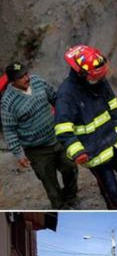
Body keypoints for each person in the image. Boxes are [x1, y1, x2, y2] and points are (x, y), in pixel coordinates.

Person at [55, 45, 117, 210]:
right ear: (81, 73)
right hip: (94, 154)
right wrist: (78, 152)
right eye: (95, 77)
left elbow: (114, 107)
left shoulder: (98, 79)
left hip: (114, 143)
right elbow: (63, 130)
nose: (99, 80)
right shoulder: (66, 95)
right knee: (112, 193)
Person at [1, 62, 78, 209]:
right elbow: (9, 130)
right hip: (37, 151)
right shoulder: (8, 103)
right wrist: (19, 154)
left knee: (71, 167)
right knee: (49, 182)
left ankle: (71, 196)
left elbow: (55, 98)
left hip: (57, 138)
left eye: (25, 74)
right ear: (12, 81)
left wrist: (68, 117)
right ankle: (60, 206)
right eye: (20, 77)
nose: (26, 78)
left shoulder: (38, 81)